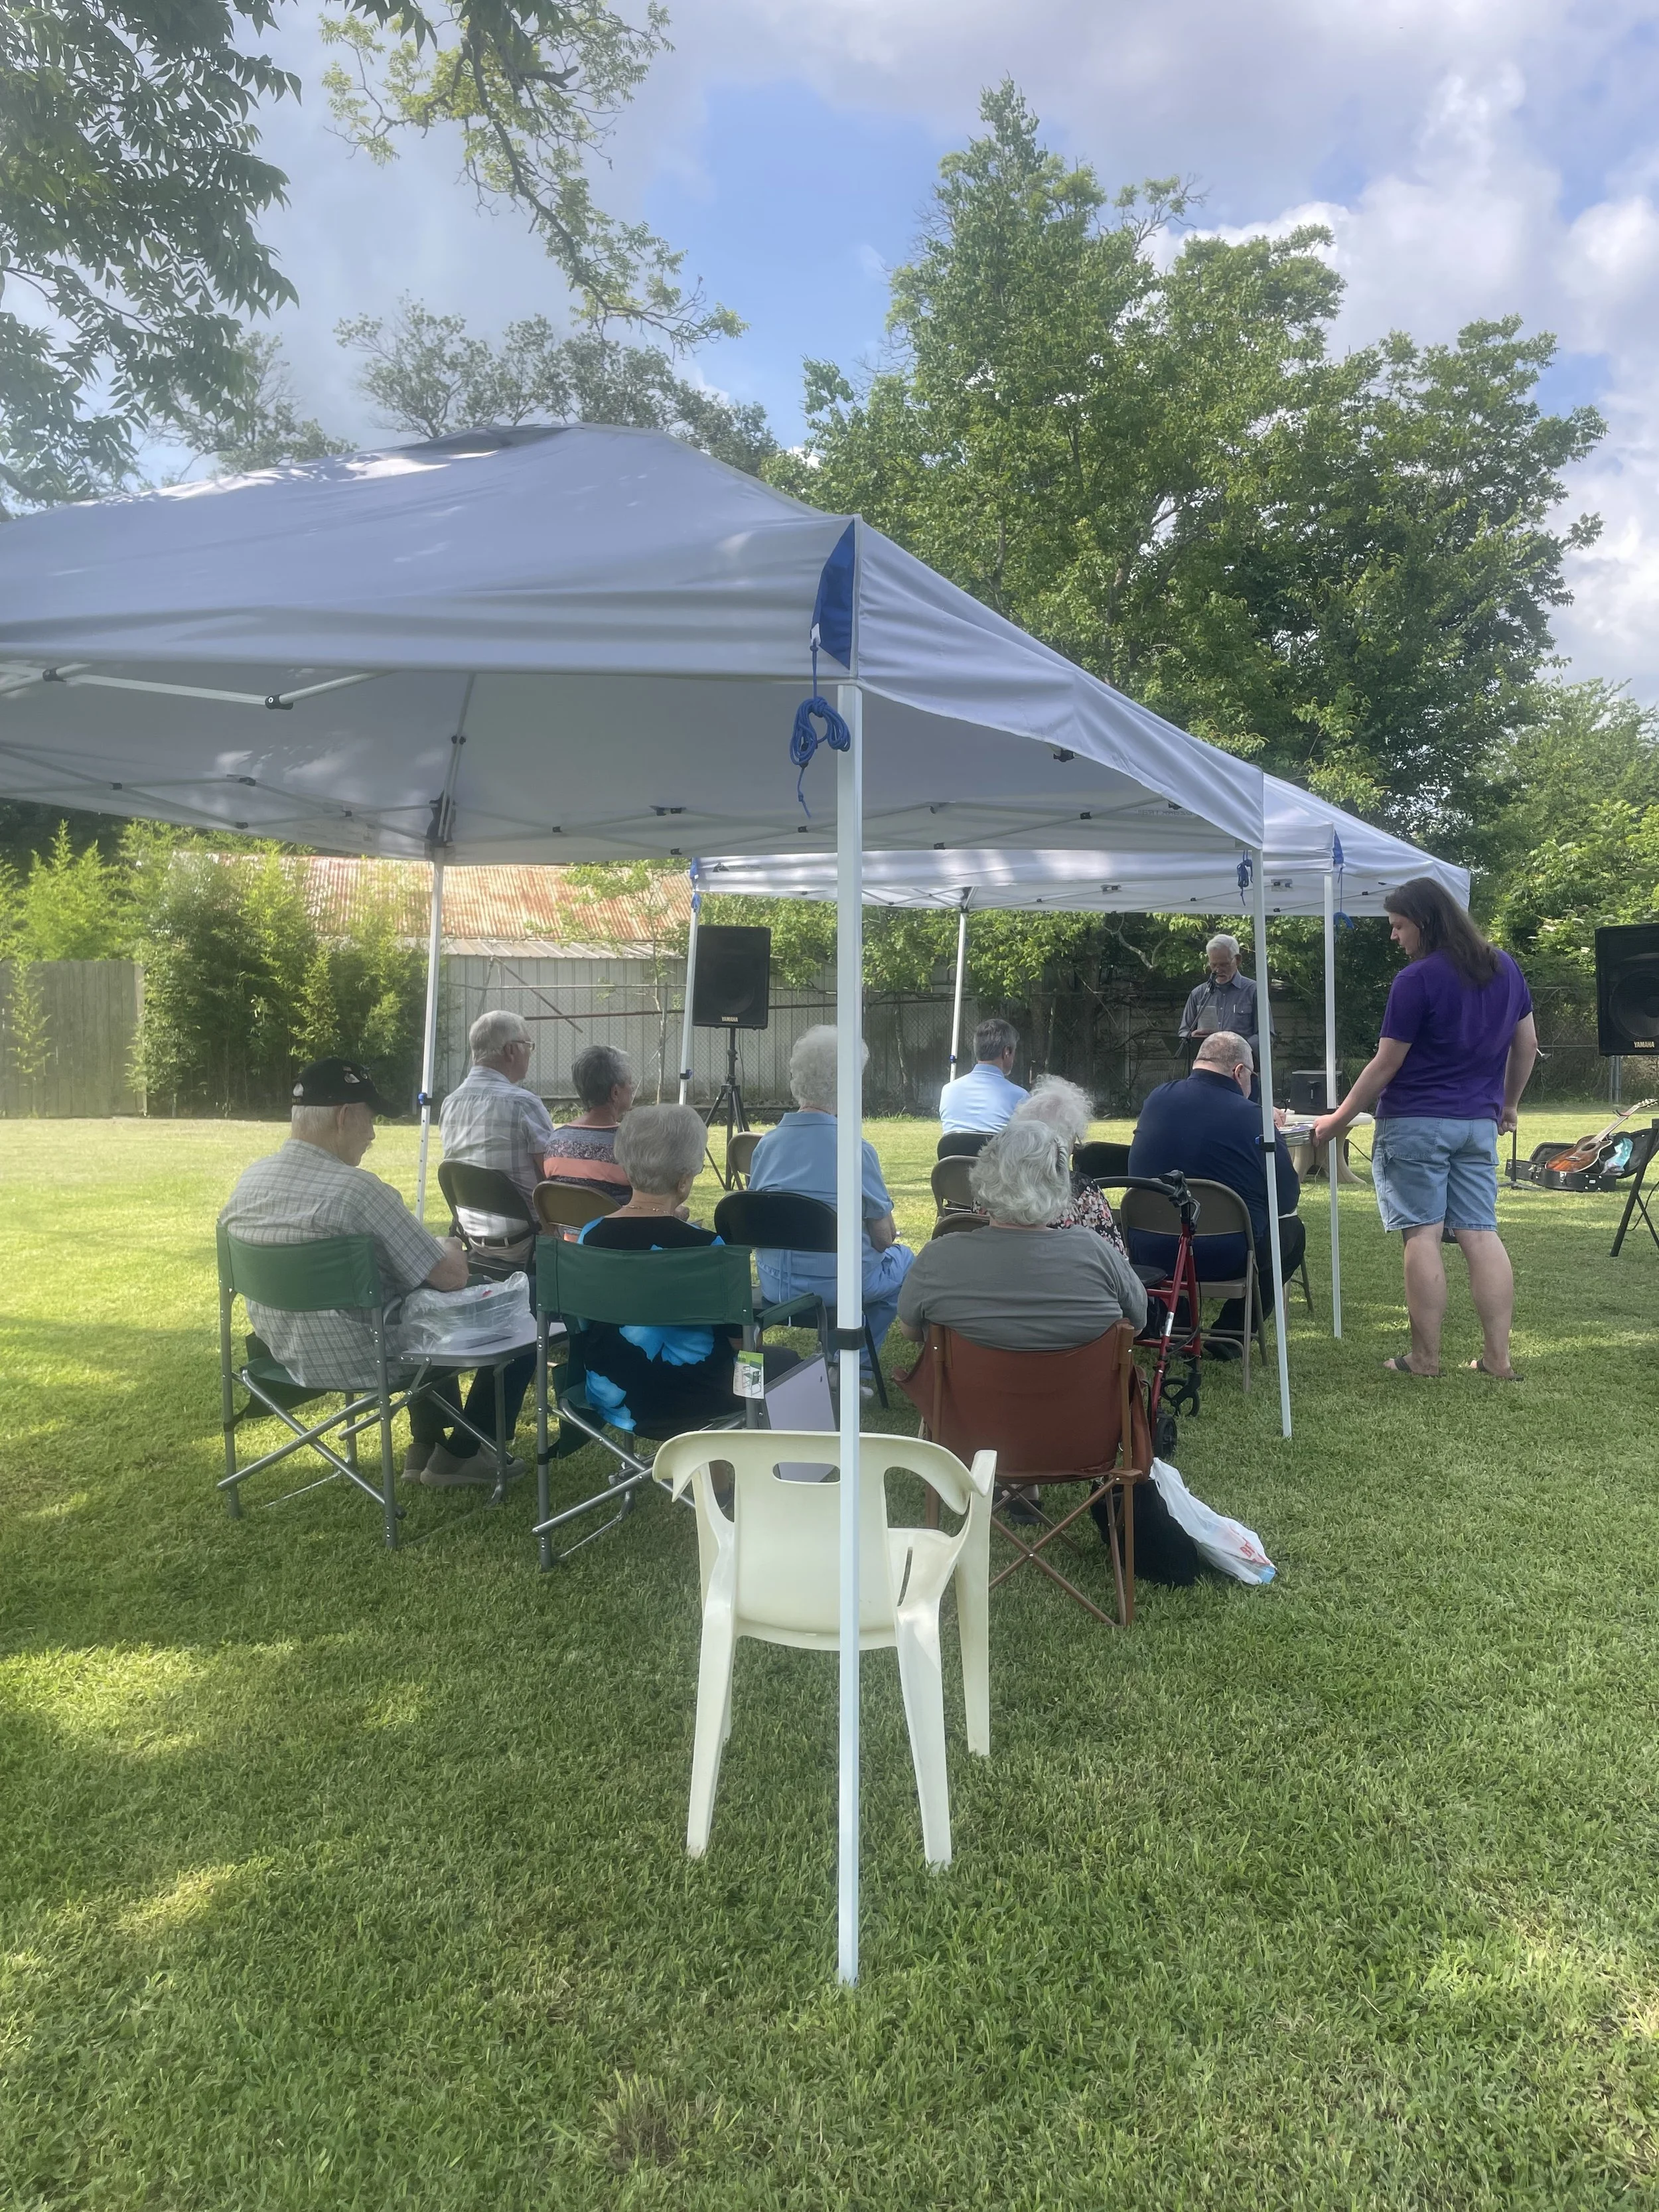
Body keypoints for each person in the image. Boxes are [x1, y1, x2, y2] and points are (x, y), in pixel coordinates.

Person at [219, 1057, 534, 1488]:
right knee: (519, 1304)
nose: (372, 1134)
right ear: (345, 1116)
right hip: (372, 1357)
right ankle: (468, 1451)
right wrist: (453, 1245)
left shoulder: (249, 1182)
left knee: (412, 1301)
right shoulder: (359, 1192)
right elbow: (449, 1276)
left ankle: (424, 1442)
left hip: (284, 1352)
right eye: (369, 1119)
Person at [1313, 877, 1537, 1380]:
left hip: (1416, 1123)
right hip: (1477, 1124)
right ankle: (1499, 1361)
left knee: (1422, 1234)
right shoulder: (1505, 968)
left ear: (1425, 922)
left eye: (1398, 926)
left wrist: (1337, 1120)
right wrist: (1509, 1106)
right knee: (1481, 1233)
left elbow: (1385, 1064)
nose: (1395, 937)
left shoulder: (1415, 980)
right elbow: (1527, 1046)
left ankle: (1425, 1360)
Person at [574, 1104, 796, 1432]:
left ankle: (711, 1475)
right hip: (703, 1397)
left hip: (615, 1391)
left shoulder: (590, 1236)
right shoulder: (709, 1250)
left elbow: (587, 1321)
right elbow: (741, 1342)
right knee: (785, 1363)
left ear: (628, 1168)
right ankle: (742, 1468)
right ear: (682, 1182)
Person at [748, 1025, 914, 1380]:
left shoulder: (766, 1147)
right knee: (903, 1261)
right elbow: (884, 1239)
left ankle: (838, 1358)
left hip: (778, 1284)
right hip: (842, 1286)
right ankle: (856, 1367)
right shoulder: (857, 1149)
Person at [897, 1120, 1147, 1349]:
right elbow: (1135, 1327)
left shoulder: (938, 1256)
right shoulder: (1098, 1253)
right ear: (1061, 1186)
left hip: (969, 1397)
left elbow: (911, 1331)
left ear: (982, 1178)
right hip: (1080, 1397)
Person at [1127, 1031, 1303, 1341]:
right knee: (1291, 1232)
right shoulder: (1255, 1118)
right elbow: (1286, 1198)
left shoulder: (1156, 1099)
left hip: (1149, 1249)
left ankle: (1178, 1322)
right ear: (1239, 1072)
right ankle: (1233, 1334)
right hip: (1224, 1253)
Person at [440, 1009, 557, 1228]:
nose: (530, 1053)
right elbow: (553, 1176)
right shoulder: (524, 1104)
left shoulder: (450, 1103)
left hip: (471, 1235)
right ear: (511, 1050)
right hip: (529, 1239)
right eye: (529, 1046)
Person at [1010, 1075, 1128, 1255]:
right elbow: (1116, 1259)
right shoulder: (1084, 1192)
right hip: (1068, 1280)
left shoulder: (991, 1189)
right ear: (1065, 1140)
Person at [542, 1043, 636, 1206]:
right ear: (615, 1093)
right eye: (629, 1082)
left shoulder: (555, 1142)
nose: (632, 1087)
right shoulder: (631, 1143)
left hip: (571, 1232)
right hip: (619, 1231)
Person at [938, 1016, 1029, 1134]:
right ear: (1007, 1052)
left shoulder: (948, 1091)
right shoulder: (1021, 1097)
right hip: (998, 1152)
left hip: (952, 1152)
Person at [1179, 934, 1261, 1060]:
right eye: (1214, 965)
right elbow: (1184, 1032)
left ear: (1237, 960)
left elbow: (1265, 1035)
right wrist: (1192, 1036)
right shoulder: (1199, 994)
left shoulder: (1254, 991)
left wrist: (1238, 1048)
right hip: (1208, 1068)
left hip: (1241, 1067)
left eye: (1224, 965)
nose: (1218, 970)